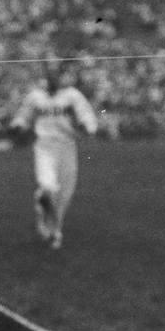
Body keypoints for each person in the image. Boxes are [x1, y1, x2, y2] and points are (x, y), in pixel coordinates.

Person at [10, 59, 98, 250]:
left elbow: (86, 115)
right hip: (44, 146)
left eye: (55, 72)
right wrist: (18, 125)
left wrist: (87, 126)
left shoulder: (71, 95)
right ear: (45, 75)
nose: (52, 76)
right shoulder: (36, 97)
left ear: (60, 74)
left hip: (67, 146)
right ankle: (49, 221)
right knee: (48, 187)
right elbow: (23, 116)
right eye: (49, 72)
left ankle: (54, 228)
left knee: (64, 194)